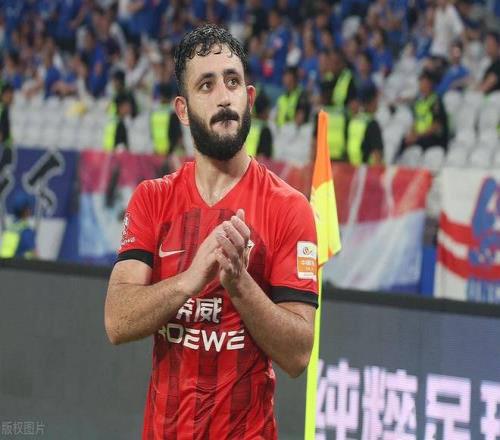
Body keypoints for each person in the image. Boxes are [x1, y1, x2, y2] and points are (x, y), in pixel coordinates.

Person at [104, 24, 318, 440]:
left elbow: (298, 355)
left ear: (249, 96)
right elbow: (116, 320)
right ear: (183, 110)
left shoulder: (290, 209)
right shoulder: (152, 199)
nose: (224, 97)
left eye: (232, 82)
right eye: (207, 85)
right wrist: (190, 280)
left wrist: (240, 284)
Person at [403, 70, 448, 152]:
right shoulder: (419, 101)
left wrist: (417, 136)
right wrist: (412, 134)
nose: (420, 85)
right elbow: (416, 120)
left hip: (433, 138)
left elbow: (436, 126)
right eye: (420, 82)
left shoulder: (436, 101)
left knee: (415, 145)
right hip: (421, 136)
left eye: (423, 83)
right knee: (404, 141)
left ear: (429, 84)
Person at [346, 84, 384, 165]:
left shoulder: (354, 120)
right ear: (372, 101)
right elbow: (377, 154)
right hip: (367, 169)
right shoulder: (372, 124)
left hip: (352, 167)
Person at [150, 83, 183, 156]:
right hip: (169, 152)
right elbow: (176, 133)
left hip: (156, 150)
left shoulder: (154, 111)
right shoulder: (173, 112)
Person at [0, 191, 36, 259]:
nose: (30, 210)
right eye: (29, 208)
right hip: (20, 265)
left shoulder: (9, 229)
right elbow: (35, 254)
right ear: (25, 211)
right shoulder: (26, 231)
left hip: (4, 264)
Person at [246, 91, 274, 157]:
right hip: (253, 162)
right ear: (266, 110)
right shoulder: (265, 130)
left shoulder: (244, 125)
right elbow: (264, 157)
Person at [0, 83, 14, 149]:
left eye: (11, 94)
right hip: (4, 145)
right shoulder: (2, 109)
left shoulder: (9, 109)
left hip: (9, 145)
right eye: (7, 95)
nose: (9, 97)